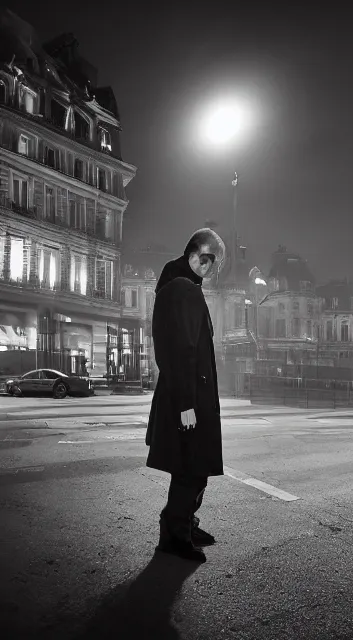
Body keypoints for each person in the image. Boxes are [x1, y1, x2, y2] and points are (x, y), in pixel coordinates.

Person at [145, 228, 226, 563]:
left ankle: (185, 524)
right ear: (197, 256)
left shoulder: (178, 286)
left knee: (194, 466)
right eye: (211, 263)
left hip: (190, 393)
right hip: (189, 397)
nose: (213, 270)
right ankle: (174, 534)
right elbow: (181, 351)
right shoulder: (183, 290)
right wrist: (187, 405)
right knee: (191, 469)